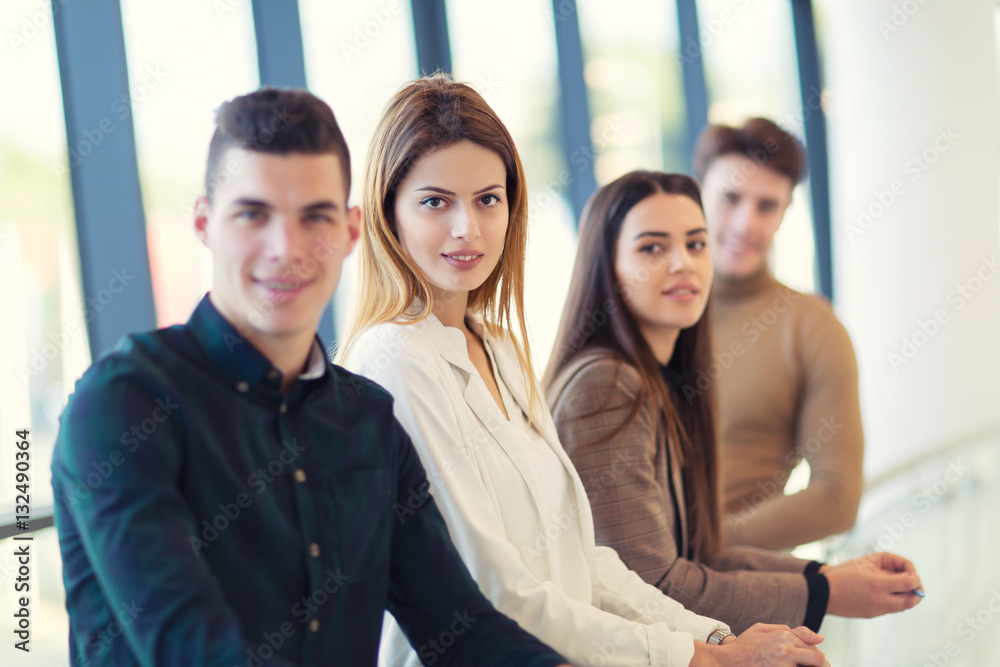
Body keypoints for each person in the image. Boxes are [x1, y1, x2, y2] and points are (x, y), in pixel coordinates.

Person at [50, 87, 571, 667]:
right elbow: (191, 648)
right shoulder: (122, 404)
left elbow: (462, 628)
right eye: (254, 214)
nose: (286, 248)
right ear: (204, 222)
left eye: (315, 216)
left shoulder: (367, 421)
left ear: (350, 231)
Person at [337, 73, 829, 667]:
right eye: (436, 201)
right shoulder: (394, 360)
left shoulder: (497, 346)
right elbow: (496, 591)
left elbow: (583, 560)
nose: (467, 227)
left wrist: (720, 638)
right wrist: (703, 657)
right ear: (389, 213)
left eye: (488, 199)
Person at [545, 170, 924, 636]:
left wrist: (825, 577)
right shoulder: (606, 383)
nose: (683, 263)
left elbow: (693, 553)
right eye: (652, 248)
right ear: (608, 266)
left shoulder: (660, 376)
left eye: (696, 244)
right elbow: (651, 585)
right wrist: (827, 594)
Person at [691, 118, 864, 550]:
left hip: (729, 589)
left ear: (786, 211)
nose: (746, 223)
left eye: (767, 206)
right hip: (606, 585)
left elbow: (837, 495)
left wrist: (702, 549)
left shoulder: (810, 326)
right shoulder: (646, 308)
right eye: (730, 198)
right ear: (697, 193)